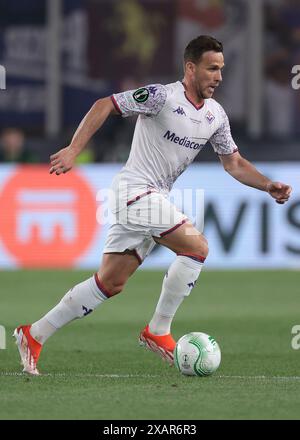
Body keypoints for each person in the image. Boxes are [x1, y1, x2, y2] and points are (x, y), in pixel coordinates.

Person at [14, 35, 292, 375]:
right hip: (133, 190)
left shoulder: (216, 115)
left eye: (221, 69)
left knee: (110, 283)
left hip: (153, 197)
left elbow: (233, 163)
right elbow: (104, 104)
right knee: (197, 248)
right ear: (191, 68)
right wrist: (73, 149)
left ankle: (34, 333)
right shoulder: (161, 97)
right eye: (211, 68)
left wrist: (267, 185)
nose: (218, 76)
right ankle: (158, 330)